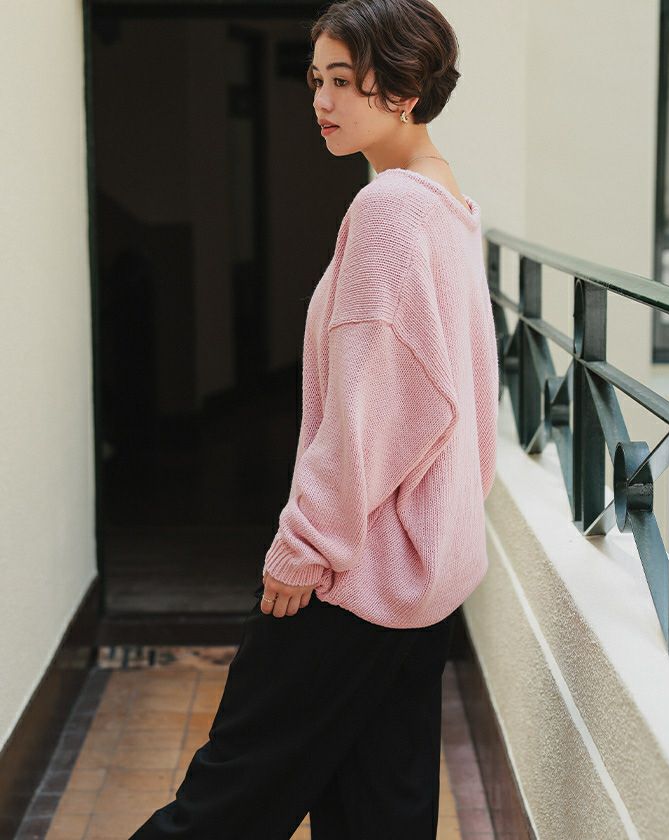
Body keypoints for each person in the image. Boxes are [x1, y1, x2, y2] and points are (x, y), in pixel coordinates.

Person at [129, 0, 499, 837]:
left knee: (222, 803)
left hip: (354, 573)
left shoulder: (389, 210)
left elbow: (375, 409)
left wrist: (305, 545)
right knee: (380, 808)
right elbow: (450, 396)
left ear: (403, 90)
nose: (320, 101)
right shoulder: (447, 203)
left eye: (341, 81)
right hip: (422, 572)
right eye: (315, 80)